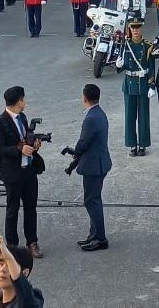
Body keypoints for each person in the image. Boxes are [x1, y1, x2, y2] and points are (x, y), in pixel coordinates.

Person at [0, 86, 44, 258]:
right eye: (24, 99)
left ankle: (32, 242)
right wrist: (19, 149)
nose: (25, 102)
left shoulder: (22, 117)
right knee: (12, 210)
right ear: (19, 101)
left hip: (28, 171)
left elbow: (26, 138)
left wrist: (33, 145)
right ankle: (12, 247)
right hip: (12, 175)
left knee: (31, 208)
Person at [65, 83, 113, 252]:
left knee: (92, 201)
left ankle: (100, 238)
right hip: (99, 162)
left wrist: (76, 152)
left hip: (94, 165)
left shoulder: (91, 118)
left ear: (84, 98)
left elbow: (84, 141)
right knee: (93, 200)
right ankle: (94, 235)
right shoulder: (99, 113)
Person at [116, 20, 154, 156]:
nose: (136, 31)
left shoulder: (148, 46)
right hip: (129, 84)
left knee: (143, 117)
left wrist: (151, 85)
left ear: (141, 29)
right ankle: (132, 144)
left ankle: (143, 144)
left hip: (143, 84)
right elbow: (122, 66)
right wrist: (118, 65)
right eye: (133, 28)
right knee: (130, 117)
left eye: (138, 28)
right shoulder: (126, 45)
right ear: (130, 29)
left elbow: (151, 67)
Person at [0, 234, 43, 308]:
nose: (2, 270)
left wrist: (8, 257)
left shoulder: (32, 300)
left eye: (9, 265)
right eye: (1, 264)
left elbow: (27, 298)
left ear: (24, 273)